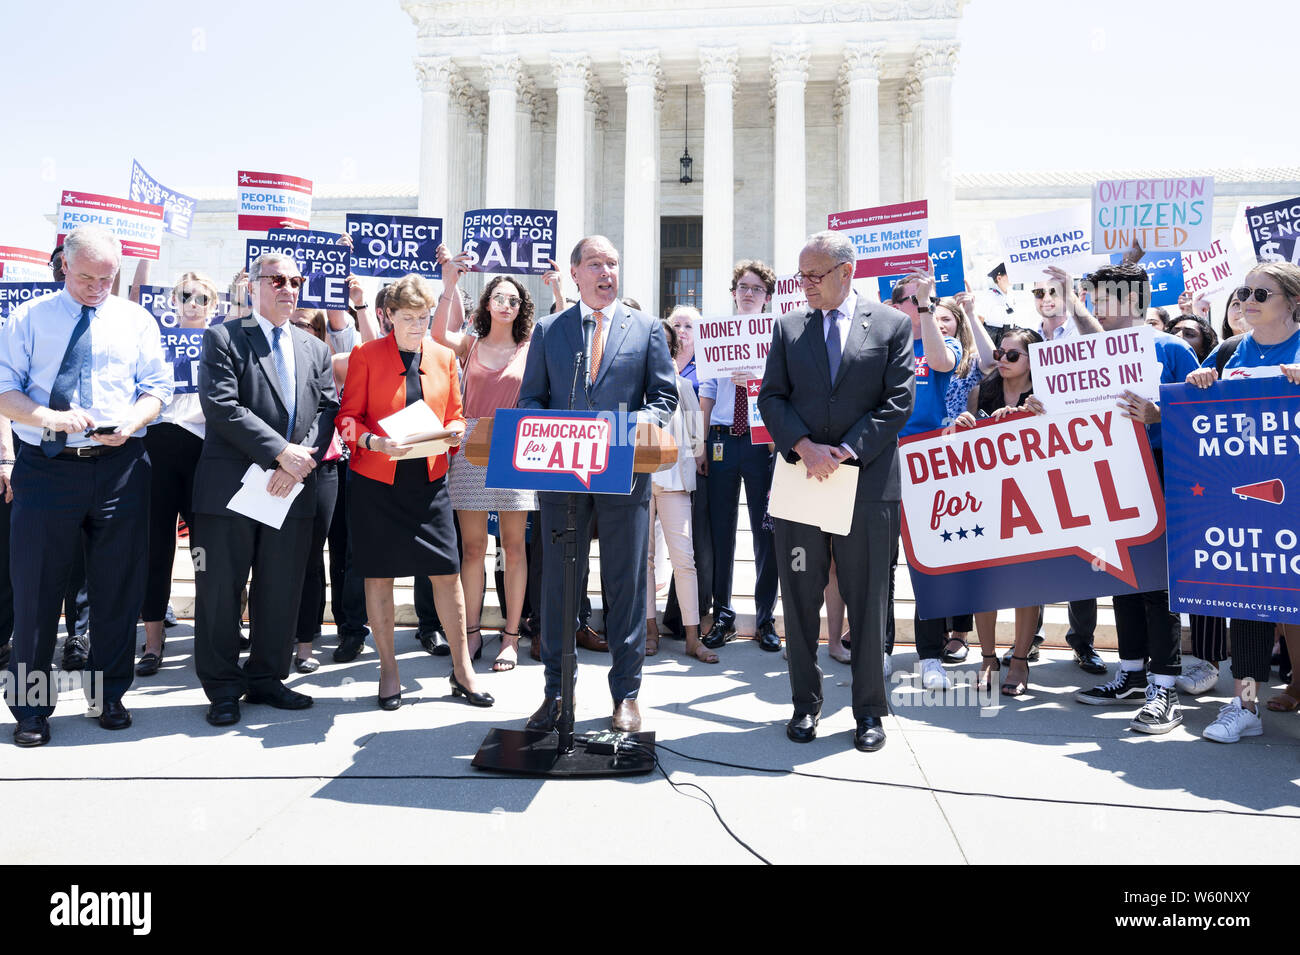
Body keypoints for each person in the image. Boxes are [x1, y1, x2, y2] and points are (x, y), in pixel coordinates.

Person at [0, 226, 173, 746]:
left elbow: (158, 388)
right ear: (63, 267)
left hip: (121, 465)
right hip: (47, 466)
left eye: (107, 277)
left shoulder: (136, 320)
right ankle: (30, 710)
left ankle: (108, 695)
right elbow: (4, 390)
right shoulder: (30, 317)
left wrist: (133, 420)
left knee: (117, 587)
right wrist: (50, 416)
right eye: (86, 277)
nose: (98, 285)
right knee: (35, 590)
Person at [758, 230, 914, 753]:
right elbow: (772, 398)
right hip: (803, 483)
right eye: (800, 275)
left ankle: (869, 711)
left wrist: (844, 451)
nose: (804, 285)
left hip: (865, 486)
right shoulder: (788, 327)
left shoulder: (891, 325)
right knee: (800, 596)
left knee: (867, 599)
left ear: (847, 272)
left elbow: (897, 402)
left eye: (814, 275)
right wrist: (805, 447)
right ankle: (805, 704)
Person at [517, 235, 677, 734]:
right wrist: (556, 429)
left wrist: (623, 431)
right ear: (574, 273)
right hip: (562, 477)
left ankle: (626, 695)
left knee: (625, 586)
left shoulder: (647, 328)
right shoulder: (549, 330)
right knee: (560, 588)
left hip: (622, 475)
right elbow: (530, 401)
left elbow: (664, 398)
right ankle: (556, 694)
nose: (607, 272)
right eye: (596, 264)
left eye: (613, 263)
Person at [190, 252, 339, 727]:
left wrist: (298, 463)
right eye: (276, 279)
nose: (287, 288)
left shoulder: (312, 347)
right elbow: (222, 406)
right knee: (220, 591)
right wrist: (282, 453)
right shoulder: (224, 337)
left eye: (295, 280)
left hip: (289, 490)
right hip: (231, 490)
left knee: (280, 589)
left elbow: (327, 410)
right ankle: (223, 689)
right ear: (253, 284)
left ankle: (268, 678)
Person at [336, 274, 491, 710]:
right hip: (376, 481)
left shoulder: (444, 356)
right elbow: (347, 419)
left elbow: (459, 415)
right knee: (379, 575)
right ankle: (389, 671)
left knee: (446, 572)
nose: (418, 326)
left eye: (424, 318)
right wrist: (374, 442)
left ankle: (463, 671)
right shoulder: (366, 356)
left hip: (429, 481)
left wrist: (452, 434)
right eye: (409, 318)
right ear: (387, 316)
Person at [1064, 263, 1199, 733]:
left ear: (1127, 299)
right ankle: (1134, 674)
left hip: (1159, 473)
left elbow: (1203, 413)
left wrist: (1158, 414)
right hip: (1110, 475)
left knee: (1158, 585)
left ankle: (1165, 684)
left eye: (1101, 297)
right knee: (1124, 576)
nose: (1095, 305)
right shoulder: (1089, 351)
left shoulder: (1172, 348)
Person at [1185, 263, 1300, 742]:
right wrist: (1196, 389)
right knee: (1248, 604)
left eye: (1261, 292)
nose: (1248, 300)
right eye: (1244, 291)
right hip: (1248, 501)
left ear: (1293, 302)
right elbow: (1196, 414)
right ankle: (1245, 704)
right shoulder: (1231, 350)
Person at [433, 258, 538, 673]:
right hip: (470, 444)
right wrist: (449, 283)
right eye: (499, 297)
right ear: (487, 303)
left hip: (515, 443)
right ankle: (471, 630)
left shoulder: (531, 346)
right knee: (473, 548)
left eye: (514, 299)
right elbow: (438, 334)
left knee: (514, 548)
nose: (506, 305)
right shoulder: (470, 343)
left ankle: (510, 637)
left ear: (520, 307)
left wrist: (558, 286)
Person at [946, 327, 1044, 695]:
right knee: (983, 580)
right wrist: (966, 424)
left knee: (1025, 583)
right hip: (986, 496)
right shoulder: (983, 389)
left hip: (1033, 499)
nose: (1002, 359)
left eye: (1012, 355)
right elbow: (962, 437)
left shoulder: (1047, 394)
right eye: (1000, 353)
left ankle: (1018, 661)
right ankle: (988, 658)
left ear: (1035, 359)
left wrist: (1033, 417)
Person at [136, 271, 221, 677]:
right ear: (172, 301)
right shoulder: (154, 343)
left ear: (214, 305)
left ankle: (212, 632)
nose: (192, 303)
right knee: (154, 549)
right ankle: (153, 641)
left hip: (203, 454)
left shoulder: (223, 342)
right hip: (156, 449)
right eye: (185, 296)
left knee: (205, 549)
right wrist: (141, 262)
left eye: (201, 298)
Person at [698, 261, 782, 654]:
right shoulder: (717, 334)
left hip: (762, 441)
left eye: (757, 288)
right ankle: (723, 614)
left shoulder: (778, 336)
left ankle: (765, 618)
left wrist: (757, 381)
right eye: (743, 287)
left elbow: (786, 390)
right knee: (721, 532)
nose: (749, 293)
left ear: (768, 297)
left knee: (766, 532)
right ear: (734, 292)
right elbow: (707, 393)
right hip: (721, 440)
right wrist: (699, 444)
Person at [645, 318, 713, 664]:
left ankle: (692, 637)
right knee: (645, 560)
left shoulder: (682, 384)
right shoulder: (636, 380)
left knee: (684, 560)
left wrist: (692, 466)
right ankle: (650, 629)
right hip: (640, 483)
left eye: (665, 341)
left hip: (674, 483)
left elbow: (694, 435)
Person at [288, 307, 347, 673]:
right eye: (294, 325)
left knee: (312, 556)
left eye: (307, 326)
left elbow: (329, 408)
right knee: (277, 556)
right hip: (274, 463)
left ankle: (306, 642)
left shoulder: (328, 359)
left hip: (320, 465)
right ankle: (276, 635)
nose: (299, 331)